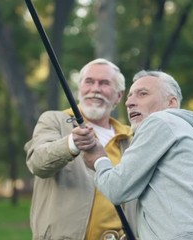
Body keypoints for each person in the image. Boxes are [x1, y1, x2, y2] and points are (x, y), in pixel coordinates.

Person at [81, 70, 193, 240]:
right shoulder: (184, 131)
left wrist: (99, 159)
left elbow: (116, 188)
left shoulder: (161, 121)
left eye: (142, 94)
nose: (129, 102)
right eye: (129, 96)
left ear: (171, 103)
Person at [24, 58, 136, 240]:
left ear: (118, 96)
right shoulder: (54, 120)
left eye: (105, 83)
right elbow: (38, 162)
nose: (95, 89)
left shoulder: (129, 138)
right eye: (89, 82)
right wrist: (71, 144)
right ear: (79, 90)